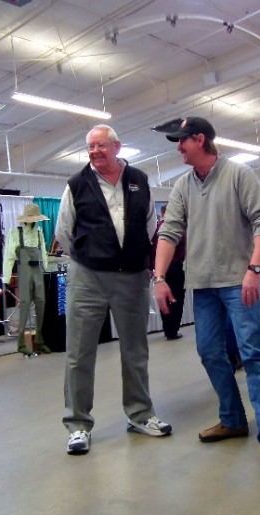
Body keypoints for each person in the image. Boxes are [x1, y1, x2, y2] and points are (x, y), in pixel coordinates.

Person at [152, 116, 260, 471]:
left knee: (253, 354)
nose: (178, 148)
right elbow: (169, 232)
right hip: (203, 284)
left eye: (182, 141)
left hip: (238, 280)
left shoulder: (238, 174)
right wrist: (159, 277)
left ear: (201, 139)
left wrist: (254, 271)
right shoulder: (182, 185)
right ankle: (233, 419)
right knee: (210, 352)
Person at [56, 124, 171, 455]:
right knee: (79, 352)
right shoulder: (77, 184)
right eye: (90, 146)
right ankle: (77, 425)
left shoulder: (139, 180)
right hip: (87, 276)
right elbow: (65, 232)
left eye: (101, 146)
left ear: (117, 147)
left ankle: (140, 415)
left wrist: (131, 254)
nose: (94, 151)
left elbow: (150, 222)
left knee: (135, 349)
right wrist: (91, 256)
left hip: (131, 276)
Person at [2, 203, 51, 356]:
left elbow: (43, 251)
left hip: (38, 270)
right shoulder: (15, 232)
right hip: (24, 269)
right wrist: (6, 277)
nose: (32, 221)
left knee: (41, 302)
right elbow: (9, 255)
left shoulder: (39, 232)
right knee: (24, 303)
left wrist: (47, 269)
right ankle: (21, 342)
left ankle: (39, 340)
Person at [152, 204, 186, 340]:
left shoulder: (155, 229)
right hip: (176, 266)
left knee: (164, 297)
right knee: (177, 298)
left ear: (161, 213)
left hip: (160, 267)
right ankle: (173, 329)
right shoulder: (178, 230)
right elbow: (183, 249)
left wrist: (151, 267)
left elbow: (152, 250)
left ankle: (167, 329)